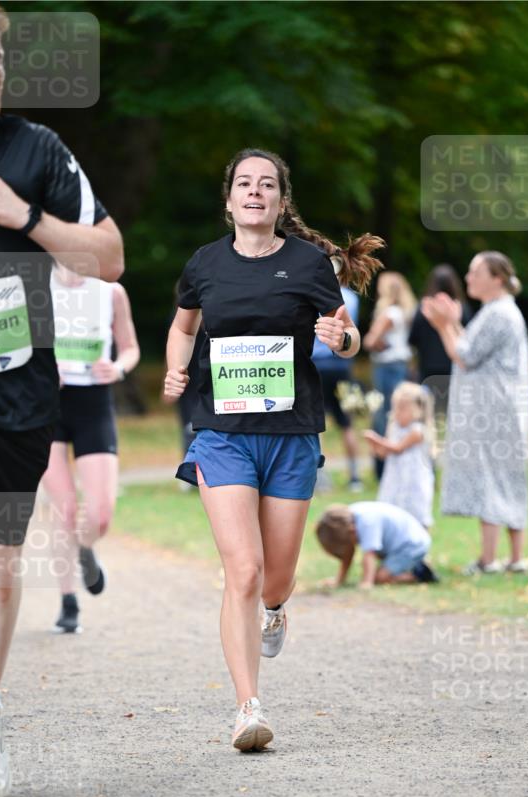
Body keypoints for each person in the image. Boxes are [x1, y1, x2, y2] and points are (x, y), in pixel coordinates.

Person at [0, 0, 124, 797]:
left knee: (4, 566)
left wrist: (26, 218)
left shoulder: (37, 150)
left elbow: (109, 257)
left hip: (21, 392)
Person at [164, 147, 383, 751]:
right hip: (222, 434)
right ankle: (247, 709)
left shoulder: (308, 264)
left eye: (267, 185)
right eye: (244, 183)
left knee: (275, 579)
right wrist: (175, 372)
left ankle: (276, 609)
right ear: (229, 199)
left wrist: (341, 338)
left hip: (291, 436)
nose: (255, 192)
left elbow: (348, 336)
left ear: (282, 201)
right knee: (244, 569)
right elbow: (184, 327)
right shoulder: (204, 264)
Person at [41, 264, 140, 634]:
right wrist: (42, 368)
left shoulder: (110, 292)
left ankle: (85, 547)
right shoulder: (35, 288)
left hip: (94, 404)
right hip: (47, 407)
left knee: (99, 514)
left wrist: (116, 368)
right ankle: (68, 600)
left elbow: (130, 349)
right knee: (64, 507)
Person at [422, 251, 528, 575]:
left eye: (475, 273)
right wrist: (454, 322)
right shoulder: (496, 311)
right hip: (502, 409)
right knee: (507, 477)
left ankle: (489, 560)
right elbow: (472, 346)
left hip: (494, 410)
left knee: (492, 478)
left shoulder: (499, 314)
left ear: (496, 278)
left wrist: (443, 326)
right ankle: (512, 558)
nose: (468, 279)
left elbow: (464, 355)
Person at [362, 271, 417, 478]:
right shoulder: (404, 313)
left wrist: (376, 342)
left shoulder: (389, 314)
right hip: (401, 364)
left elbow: (369, 340)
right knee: (401, 412)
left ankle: (383, 465)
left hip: (386, 366)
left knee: (384, 414)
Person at [311, 279, 363, 491]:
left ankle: (320, 476)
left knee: (316, 423)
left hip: (317, 364)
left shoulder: (314, 292)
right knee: (346, 423)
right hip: (342, 363)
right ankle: (355, 477)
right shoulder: (351, 297)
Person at [363, 381, 436, 528]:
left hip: (414, 480)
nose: (397, 412)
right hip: (395, 479)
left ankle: (421, 545)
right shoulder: (394, 427)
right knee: (392, 512)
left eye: (402, 408)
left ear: (418, 410)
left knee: (417, 515)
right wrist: (374, 446)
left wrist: (377, 439)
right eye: (395, 407)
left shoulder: (418, 430)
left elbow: (398, 448)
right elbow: (384, 453)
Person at [316, 501, 439, 588]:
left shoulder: (367, 522)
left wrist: (367, 582)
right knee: (379, 574)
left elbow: (369, 555)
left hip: (411, 546)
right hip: (396, 545)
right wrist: (339, 580)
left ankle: (419, 574)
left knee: (380, 578)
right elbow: (348, 553)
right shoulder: (349, 518)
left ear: (351, 531)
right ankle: (409, 567)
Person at [408, 264, 471, 420]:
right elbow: (469, 339)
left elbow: (412, 339)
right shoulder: (461, 308)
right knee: (455, 415)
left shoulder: (424, 308)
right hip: (454, 366)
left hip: (427, 368)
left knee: (427, 416)